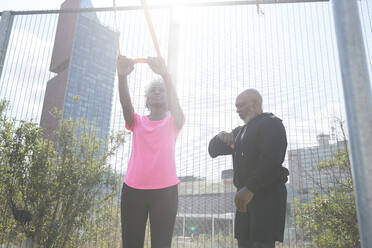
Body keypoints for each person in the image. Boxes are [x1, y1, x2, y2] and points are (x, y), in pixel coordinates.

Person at [117, 55, 185, 248]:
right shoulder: (137, 121)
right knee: (131, 243)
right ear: (146, 100)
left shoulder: (175, 120)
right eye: (152, 91)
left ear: (168, 97)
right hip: (133, 190)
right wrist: (122, 77)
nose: (157, 92)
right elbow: (125, 106)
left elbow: (176, 107)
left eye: (161, 90)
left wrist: (165, 74)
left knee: (162, 244)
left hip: (166, 191)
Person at [208, 89, 289, 248]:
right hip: (244, 198)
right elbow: (213, 151)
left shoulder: (272, 123)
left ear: (256, 104)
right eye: (236, 106)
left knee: (262, 243)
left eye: (241, 105)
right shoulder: (239, 132)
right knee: (244, 242)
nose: (237, 110)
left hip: (266, 196)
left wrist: (250, 188)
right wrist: (219, 136)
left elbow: (271, 162)